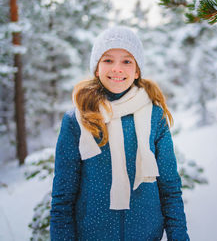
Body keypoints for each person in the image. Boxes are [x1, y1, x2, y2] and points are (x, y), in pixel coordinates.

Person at [50, 26, 190, 241]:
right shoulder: (76, 120)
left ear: (137, 71)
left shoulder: (154, 117)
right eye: (108, 60)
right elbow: (63, 199)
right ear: (96, 68)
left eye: (126, 61)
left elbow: (170, 189)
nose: (117, 68)